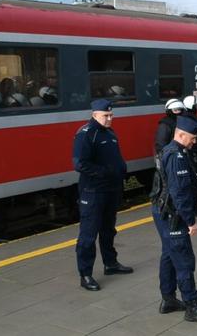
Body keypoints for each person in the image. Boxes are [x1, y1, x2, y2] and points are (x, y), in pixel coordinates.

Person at [151, 116, 197, 325]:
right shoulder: (177, 156)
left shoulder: (174, 150)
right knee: (184, 260)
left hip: (163, 211)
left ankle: (168, 299)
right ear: (180, 135)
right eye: (192, 137)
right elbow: (179, 193)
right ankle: (192, 306)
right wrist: (190, 221)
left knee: (169, 255)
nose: (194, 141)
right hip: (173, 215)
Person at [72, 99, 132, 291]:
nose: (109, 119)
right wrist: (105, 172)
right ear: (94, 114)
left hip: (110, 190)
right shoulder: (86, 134)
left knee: (108, 230)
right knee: (88, 235)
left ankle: (110, 263)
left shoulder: (109, 133)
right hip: (93, 191)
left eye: (111, 115)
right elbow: (80, 164)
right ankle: (86, 274)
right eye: (105, 116)